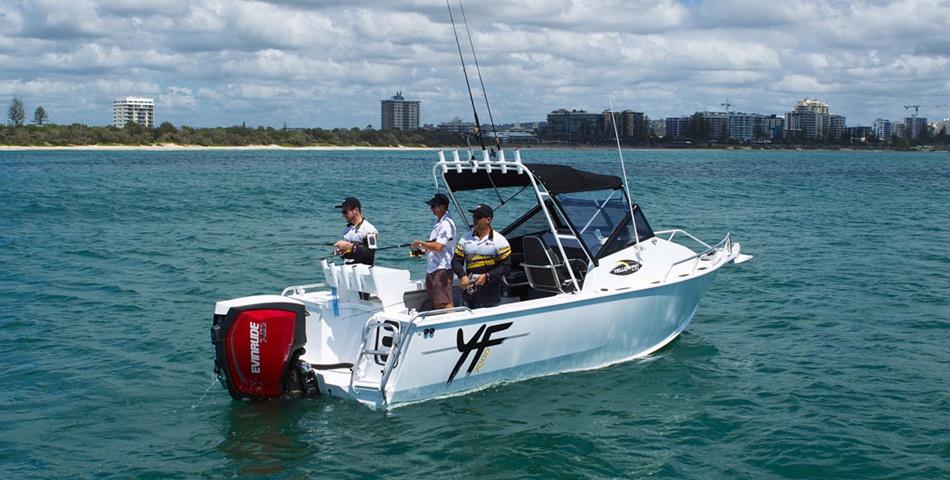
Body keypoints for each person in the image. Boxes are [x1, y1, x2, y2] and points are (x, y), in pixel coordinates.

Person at [452, 203, 511, 308]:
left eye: (478, 217)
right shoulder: (465, 238)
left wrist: (487, 276)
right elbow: (456, 261)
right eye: (474, 216)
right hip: (470, 291)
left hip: (491, 292)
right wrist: (462, 275)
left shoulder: (500, 240)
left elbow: (506, 267)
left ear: (488, 220)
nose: (474, 219)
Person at [412, 193, 457, 310]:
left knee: (445, 302)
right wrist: (421, 250)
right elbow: (433, 243)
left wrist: (421, 243)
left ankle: (450, 325)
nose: (431, 208)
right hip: (433, 268)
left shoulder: (446, 223)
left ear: (441, 207)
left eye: (433, 206)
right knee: (437, 303)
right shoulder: (438, 223)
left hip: (442, 269)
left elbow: (438, 247)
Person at [333, 196, 378, 266]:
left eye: (345, 212)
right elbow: (350, 254)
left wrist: (351, 247)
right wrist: (341, 252)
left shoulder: (369, 230)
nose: (343, 215)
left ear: (356, 210)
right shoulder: (347, 229)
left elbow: (370, 255)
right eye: (342, 212)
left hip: (362, 272)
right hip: (348, 270)